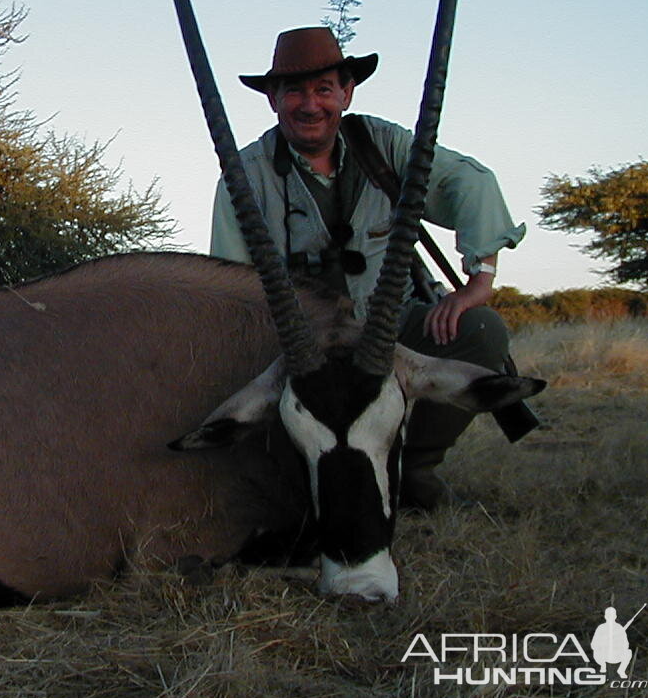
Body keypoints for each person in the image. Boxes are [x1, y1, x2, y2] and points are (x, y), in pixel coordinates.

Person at [210, 26, 526, 510]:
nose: (310, 104)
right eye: (293, 90)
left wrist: (478, 279)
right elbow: (230, 285)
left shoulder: (384, 144)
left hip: (387, 333)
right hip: (303, 346)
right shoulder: (244, 174)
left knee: (480, 329)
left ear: (346, 92)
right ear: (273, 99)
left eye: (323, 89)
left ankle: (413, 468)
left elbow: (472, 182)